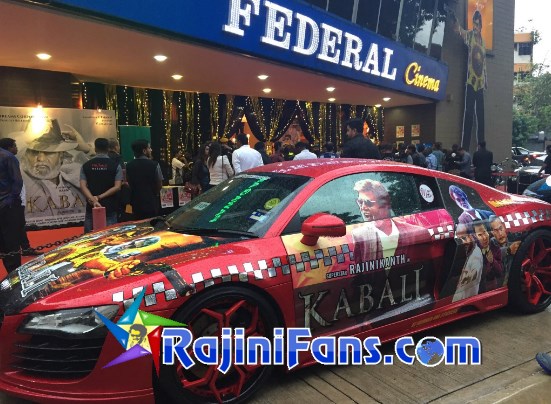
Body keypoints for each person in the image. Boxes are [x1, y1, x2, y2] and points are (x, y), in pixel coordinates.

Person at [19, 119, 86, 223]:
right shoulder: (20, 180)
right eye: (34, 152)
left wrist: (87, 149)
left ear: (61, 156)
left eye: (49, 153)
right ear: (27, 156)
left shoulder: (74, 177)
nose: (40, 159)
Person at [351, 179, 428, 265]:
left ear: (384, 204)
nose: (362, 207)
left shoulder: (417, 233)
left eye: (367, 202)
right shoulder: (359, 236)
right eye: (360, 202)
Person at [455, 10, 487, 150]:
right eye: (474, 23)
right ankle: (465, 148)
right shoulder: (470, 35)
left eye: (478, 24)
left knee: (481, 116)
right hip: (470, 81)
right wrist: (454, 19)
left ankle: (481, 147)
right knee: (468, 115)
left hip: (480, 82)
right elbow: (460, 31)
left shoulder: (483, 42)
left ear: (481, 26)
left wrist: (486, 80)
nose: (475, 26)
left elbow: (484, 63)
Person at [80, 138, 123, 233]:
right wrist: (99, 197)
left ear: (95, 149)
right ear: (108, 149)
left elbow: (83, 186)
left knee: (89, 238)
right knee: (110, 237)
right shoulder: (116, 166)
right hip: (110, 207)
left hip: (91, 207)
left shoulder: (86, 165)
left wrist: (93, 199)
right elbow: (117, 187)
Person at [0, 138, 24, 272]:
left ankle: (13, 272)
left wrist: (10, 200)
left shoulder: (7, 157)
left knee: (8, 241)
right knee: (7, 241)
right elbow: (17, 181)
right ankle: (12, 272)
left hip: (7, 204)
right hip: (7, 204)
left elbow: (17, 181)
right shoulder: (8, 157)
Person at [125, 139, 163, 220]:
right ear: (144, 151)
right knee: (151, 223)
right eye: (149, 148)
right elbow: (159, 185)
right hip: (151, 202)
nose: (151, 150)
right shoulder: (155, 165)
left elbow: (128, 183)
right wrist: (154, 193)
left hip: (135, 203)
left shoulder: (128, 165)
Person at [452, 223, 483, 302]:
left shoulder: (476, 255)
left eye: (464, 238)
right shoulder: (469, 252)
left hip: (466, 301)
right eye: (459, 240)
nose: (462, 242)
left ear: (471, 236)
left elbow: (473, 275)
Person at [472, 220, 503, 292]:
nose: (484, 237)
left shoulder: (495, 246)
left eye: (485, 232)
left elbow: (500, 272)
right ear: (475, 236)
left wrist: (493, 261)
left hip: (494, 287)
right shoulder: (473, 251)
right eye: (480, 235)